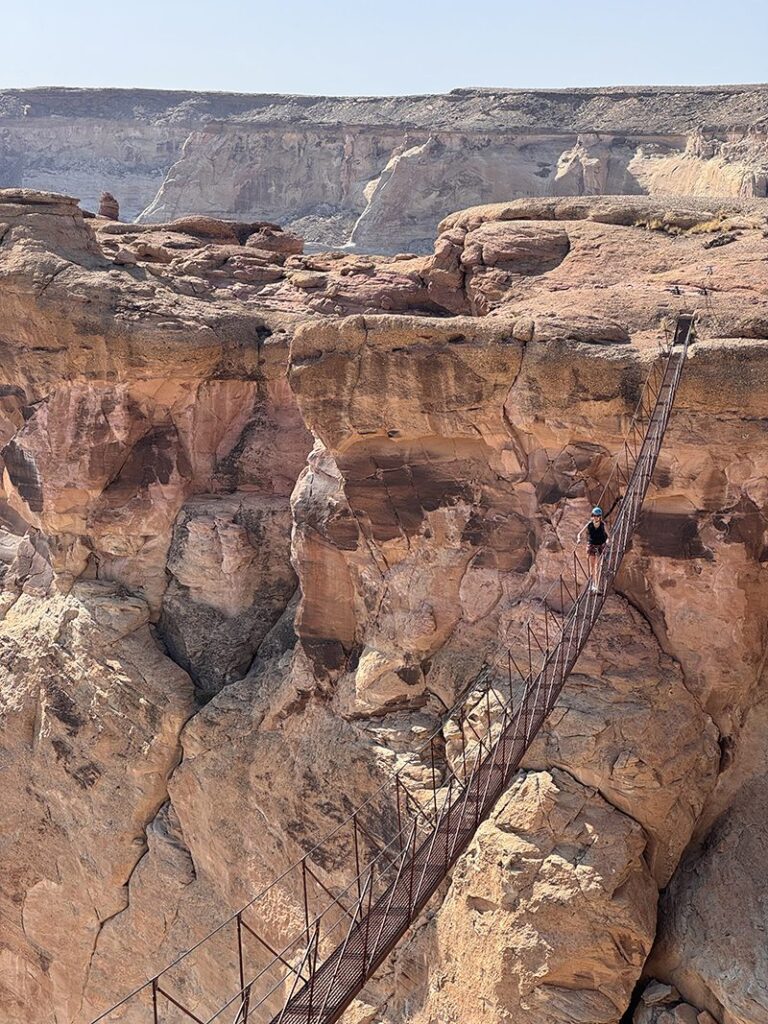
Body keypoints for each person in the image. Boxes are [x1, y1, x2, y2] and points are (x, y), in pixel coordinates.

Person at [576, 507, 609, 592]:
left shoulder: (603, 525)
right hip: (592, 545)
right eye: (594, 515)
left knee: (598, 566)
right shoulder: (589, 524)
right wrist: (579, 539)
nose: (596, 517)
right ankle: (593, 584)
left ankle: (596, 586)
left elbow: (609, 535)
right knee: (592, 566)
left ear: (600, 516)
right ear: (592, 516)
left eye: (598, 516)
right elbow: (579, 534)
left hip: (601, 545)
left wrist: (608, 541)